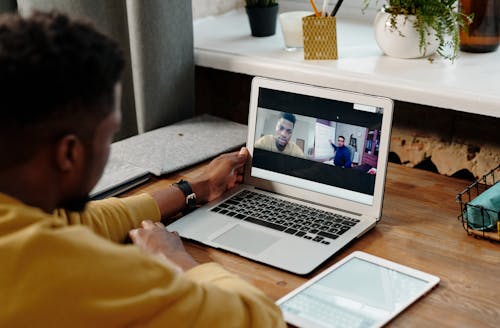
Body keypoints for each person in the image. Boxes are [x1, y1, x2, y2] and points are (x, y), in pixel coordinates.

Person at [0, 11, 285, 327]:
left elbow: (76, 220)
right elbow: (260, 320)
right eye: (109, 134)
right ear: (69, 152)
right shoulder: (66, 269)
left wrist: (194, 188)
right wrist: (174, 258)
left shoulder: (17, 215)